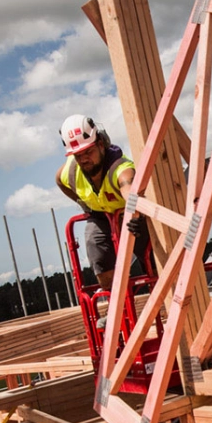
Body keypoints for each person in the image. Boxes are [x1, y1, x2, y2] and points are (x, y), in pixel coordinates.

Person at [54, 113, 147, 291]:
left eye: (88, 152)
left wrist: (135, 215)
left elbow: (131, 192)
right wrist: (84, 204)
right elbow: (59, 180)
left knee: (153, 256)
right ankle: (119, 307)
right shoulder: (72, 172)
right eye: (77, 155)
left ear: (101, 143)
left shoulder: (120, 168)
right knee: (95, 246)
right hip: (100, 216)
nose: (84, 160)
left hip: (131, 216)